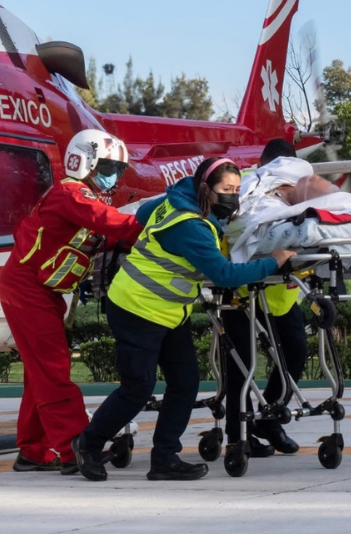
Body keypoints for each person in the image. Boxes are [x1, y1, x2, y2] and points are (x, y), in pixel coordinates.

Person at [73, 157, 296, 482]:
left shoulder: (172, 201)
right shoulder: (191, 226)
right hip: (136, 307)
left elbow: (143, 215)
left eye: (236, 189)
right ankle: (88, 445)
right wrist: (273, 262)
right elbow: (223, 274)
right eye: (226, 189)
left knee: (185, 383)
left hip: (168, 311)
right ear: (206, 188)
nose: (233, 196)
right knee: (138, 388)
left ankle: (165, 458)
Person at [0, 129, 143, 474]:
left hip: (42, 291)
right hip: (27, 289)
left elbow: (104, 233)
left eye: (118, 169)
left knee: (40, 373)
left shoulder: (85, 198)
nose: (113, 175)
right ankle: (73, 447)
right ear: (84, 162)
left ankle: (33, 451)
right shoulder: (71, 194)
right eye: (107, 166)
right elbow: (112, 223)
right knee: (53, 369)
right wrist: (158, 226)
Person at [223, 139, 310, 458]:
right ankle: (238, 436)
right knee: (241, 366)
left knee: (296, 353)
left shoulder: (300, 187)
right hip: (240, 293)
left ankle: (269, 418)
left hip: (280, 295)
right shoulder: (247, 184)